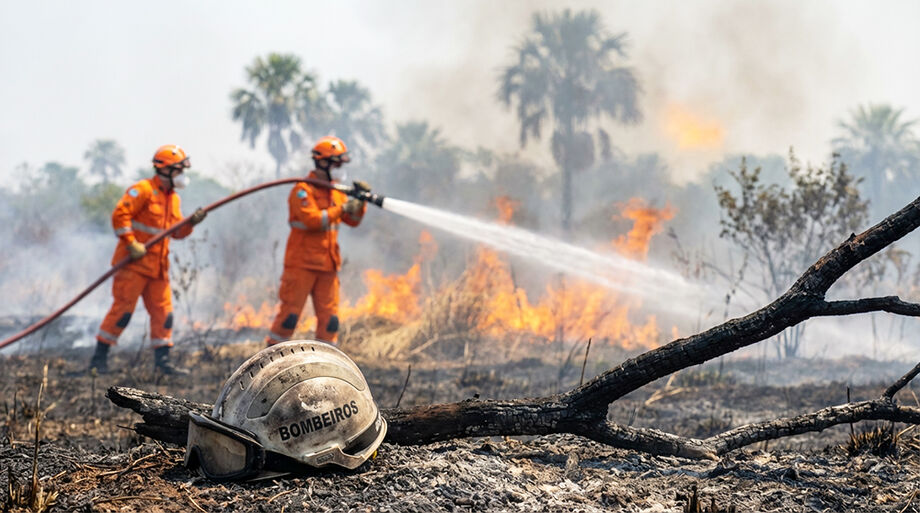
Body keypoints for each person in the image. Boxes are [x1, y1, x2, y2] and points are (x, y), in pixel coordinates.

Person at [88, 144, 206, 374]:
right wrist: (131, 243)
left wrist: (190, 223)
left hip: (158, 268)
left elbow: (176, 232)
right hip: (133, 265)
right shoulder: (142, 190)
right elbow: (120, 215)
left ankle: (162, 363)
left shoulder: (173, 200)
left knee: (164, 314)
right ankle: (98, 360)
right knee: (122, 311)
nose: (183, 176)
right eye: (179, 170)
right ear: (166, 170)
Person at [265, 136, 370, 345]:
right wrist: (342, 209)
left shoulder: (337, 192)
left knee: (330, 321)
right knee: (289, 318)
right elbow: (312, 220)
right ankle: (270, 362)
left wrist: (361, 202)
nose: (341, 169)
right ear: (323, 163)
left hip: (328, 266)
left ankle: (326, 364)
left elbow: (352, 221)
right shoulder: (303, 190)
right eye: (337, 163)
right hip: (301, 265)